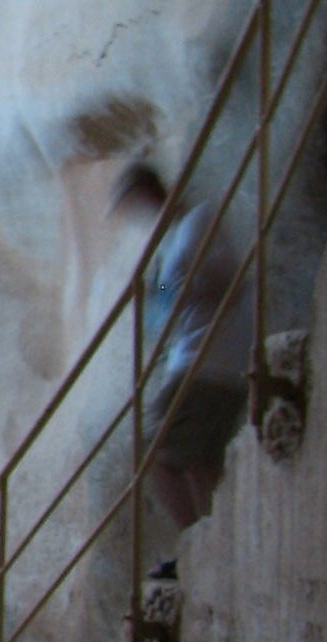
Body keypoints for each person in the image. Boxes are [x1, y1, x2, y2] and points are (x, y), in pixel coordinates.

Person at [110, 163, 255, 538]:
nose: (135, 214)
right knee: (197, 462)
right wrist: (154, 293)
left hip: (206, 358)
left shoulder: (198, 221)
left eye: (133, 203)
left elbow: (227, 282)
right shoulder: (171, 241)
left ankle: (196, 544)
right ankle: (216, 540)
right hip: (196, 357)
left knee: (153, 457)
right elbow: (165, 303)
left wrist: (181, 293)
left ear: (148, 192)